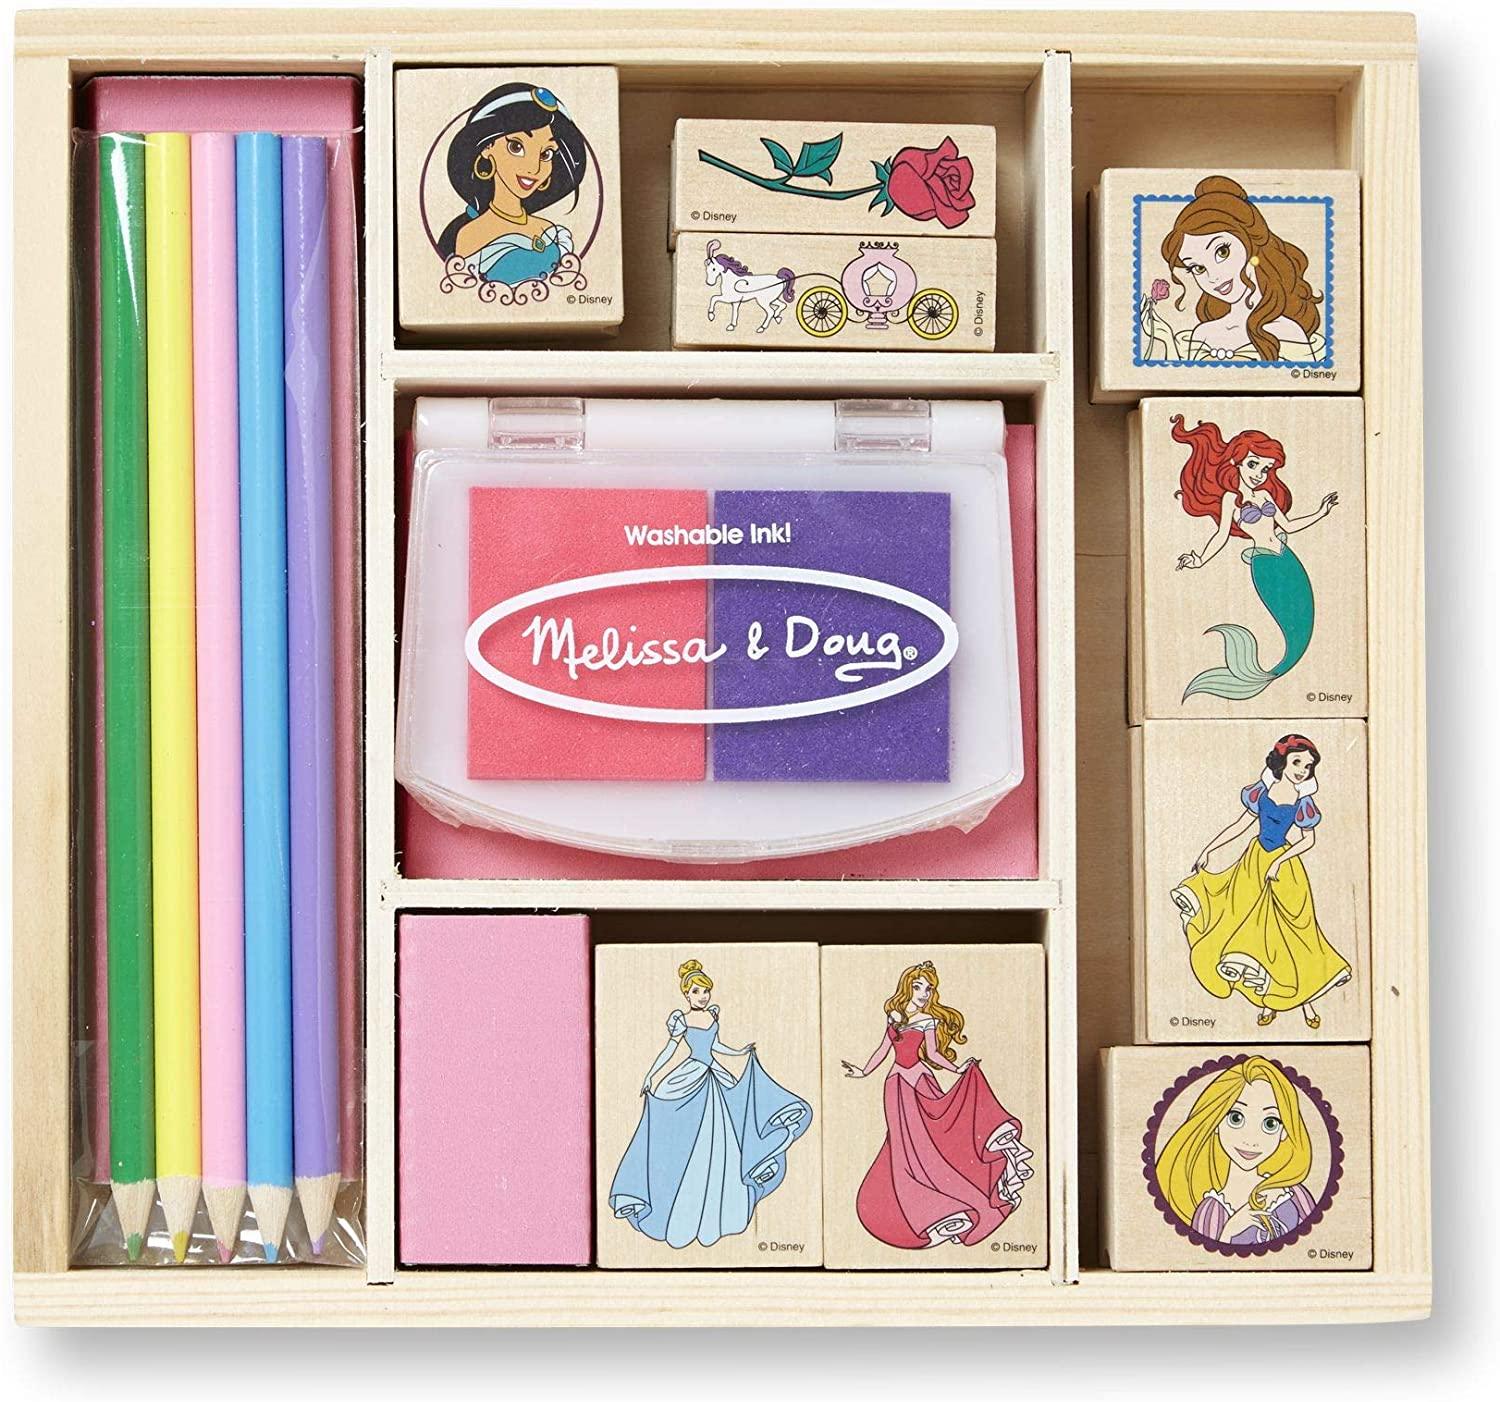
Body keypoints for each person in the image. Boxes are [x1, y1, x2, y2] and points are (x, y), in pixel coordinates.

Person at [609, 960, 811, 1249]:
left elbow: (715, 1046)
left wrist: (739, 1052)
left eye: (705, 991)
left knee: (728, 1136)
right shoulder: (681, 1020)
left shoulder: (712, 1016)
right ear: (686, 995)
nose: (702, 996)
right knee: (689, 1138)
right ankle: (682, 1203)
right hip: (691, 1075)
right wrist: (651, 1075)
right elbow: (670, 1050)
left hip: (714, 1073)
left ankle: (723, 1206)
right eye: (696, 992)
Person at [841, 961, 1032, 1248]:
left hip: (920, 1081)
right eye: (918, 987)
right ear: (907, 988)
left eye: (928, 989)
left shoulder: (928, 1021)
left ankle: (960, 1193)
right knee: (903, 1145)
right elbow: (883, 1049)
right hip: (895, 1085)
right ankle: (920, 1200)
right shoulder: (893, 1017)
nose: (924, 994)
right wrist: (863, 1071)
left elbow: (932, 1054)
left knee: (935, 1136)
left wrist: (958, 1069)